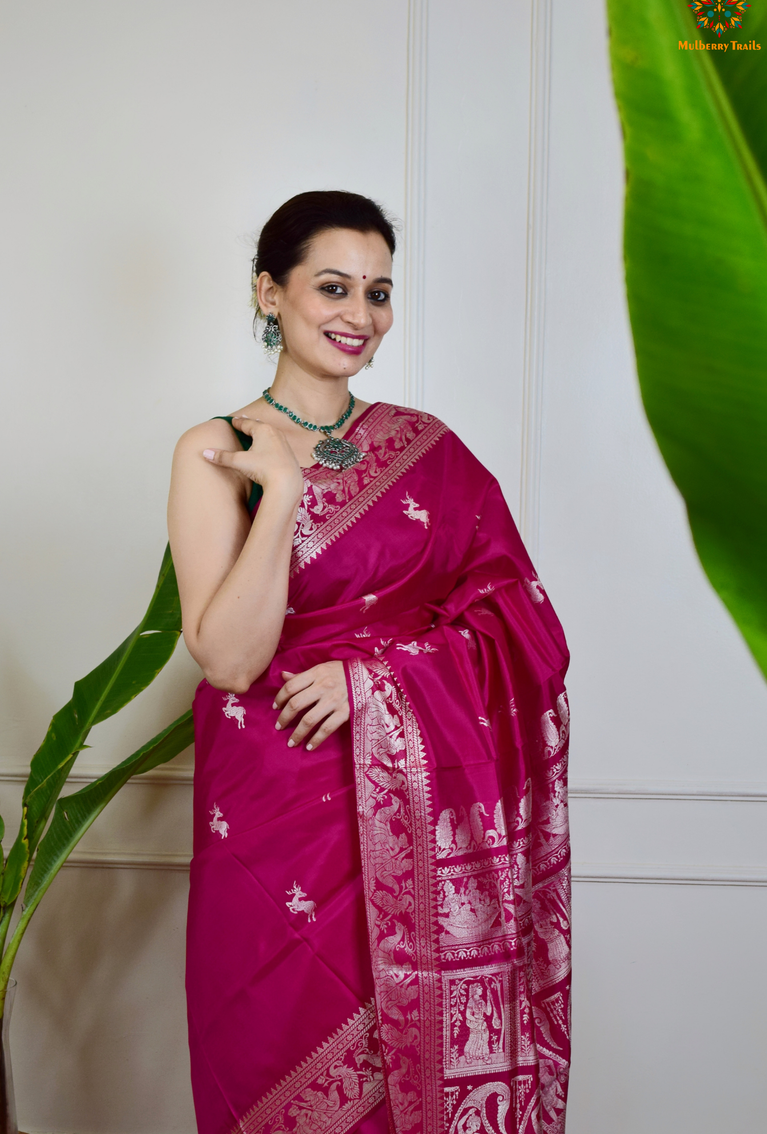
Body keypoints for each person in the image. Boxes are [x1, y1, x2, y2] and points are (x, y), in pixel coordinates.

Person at [167, 191, 571, 1134]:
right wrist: (283, 489)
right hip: (272, 811)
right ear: (270, 293)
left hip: (415, 807)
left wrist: (375, 684)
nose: (361, 315)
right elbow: (229, 657)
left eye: (380, 293)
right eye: (334, 287)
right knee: (269, 1048)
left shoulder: (430, 452)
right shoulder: (215, 451)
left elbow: (525, 623)